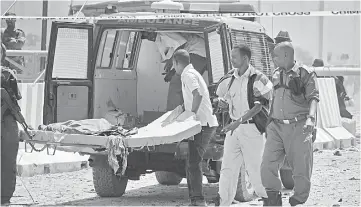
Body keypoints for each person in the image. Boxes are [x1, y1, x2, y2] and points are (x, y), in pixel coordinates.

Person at [261, 42, 319, 206]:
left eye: (276, 56)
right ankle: (273, 200)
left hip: (298, 126)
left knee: (301, 169)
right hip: (276, 127)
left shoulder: (305, 74)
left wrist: (311, 119)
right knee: (267, 165)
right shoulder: (275, 74)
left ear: (286, 55)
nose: (273, 59)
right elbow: (274, 99)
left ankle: (298, 200)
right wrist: (269, 121)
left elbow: (313, 98)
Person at [213, 44, 272, 206]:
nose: (231, 60)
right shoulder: (230, 78)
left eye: (234, 57)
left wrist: (238, 121)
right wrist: (222, 104)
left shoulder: (259, 79)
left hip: (252, 130)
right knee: (227, 169)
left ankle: (271, 200)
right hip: (234, 130)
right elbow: (222, 98)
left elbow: (260, 106)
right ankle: (223, 202)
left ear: (245, 59)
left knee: (255, 170)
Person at [172, 49, 218, 206]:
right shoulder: (192, 73)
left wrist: (191, 115)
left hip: (203, 125)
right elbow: (194, 97)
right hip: (202, 124)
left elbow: (197, 95)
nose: (174, 69)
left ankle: (198, 200)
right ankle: (195, 199)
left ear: (176, 62)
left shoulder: (187, 75)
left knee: (193, 162)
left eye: (174, 65)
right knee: (191, 161)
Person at [141, 31, 207, 111]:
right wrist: (172, 71)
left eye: (148, 33)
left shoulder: (165, 33)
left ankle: (173, 115)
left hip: (197, 51)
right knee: (183, 86)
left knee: (176, 84)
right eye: (145, 37)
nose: (148, 37)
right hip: (197, 54)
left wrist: (171, 62)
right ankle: (181, 114)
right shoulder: (158, 41)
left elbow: (182, 43)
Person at [1, 63, 22, 204]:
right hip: (8, 124)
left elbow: (15, 103)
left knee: (7, 163)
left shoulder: (8, 75)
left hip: (7, 123)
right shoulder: (8, 74)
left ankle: (4, 198)